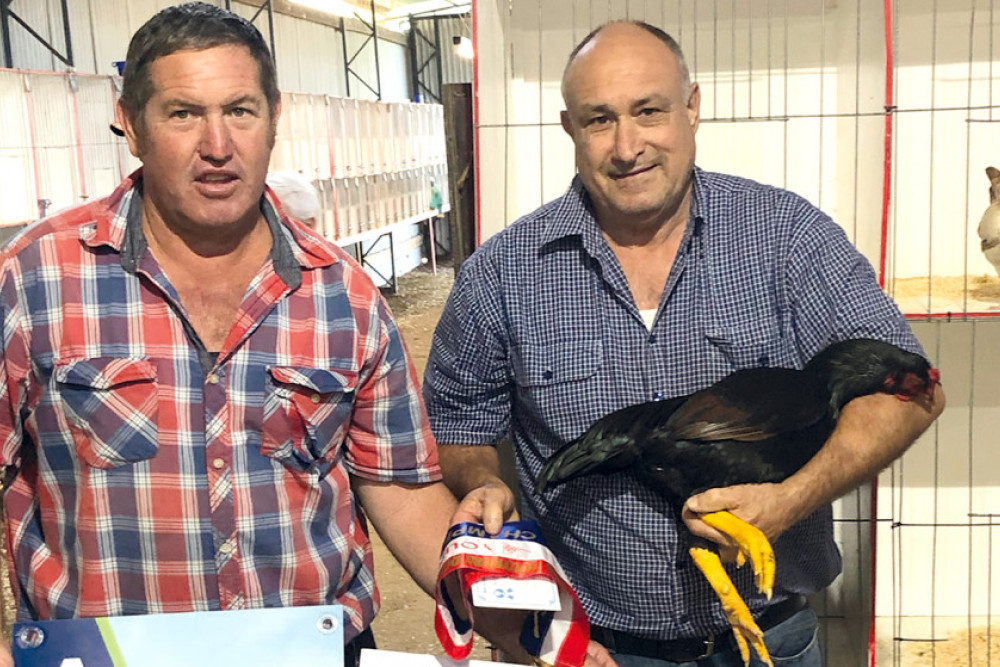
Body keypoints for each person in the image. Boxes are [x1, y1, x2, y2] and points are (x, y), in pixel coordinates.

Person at [424, 20, 946, 667]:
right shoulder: (503, 272)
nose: (627, 144)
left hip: (769, 640)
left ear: (692, 108)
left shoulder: (787, 238)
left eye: (649, 111)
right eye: (599, 119)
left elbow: (911, 390)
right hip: (590, 647)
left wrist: (791, 498)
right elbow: (456, 422)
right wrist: (483, 481)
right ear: (568, 128)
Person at [0, 4, 461, 666]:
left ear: (273, 117)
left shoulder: (344, 296)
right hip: (101, 654)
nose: (217, 144)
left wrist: (523, 622)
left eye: (240, 111)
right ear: (131, 123)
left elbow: (402, 491)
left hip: (309, 651)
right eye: (183, 113)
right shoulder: (36, 280)